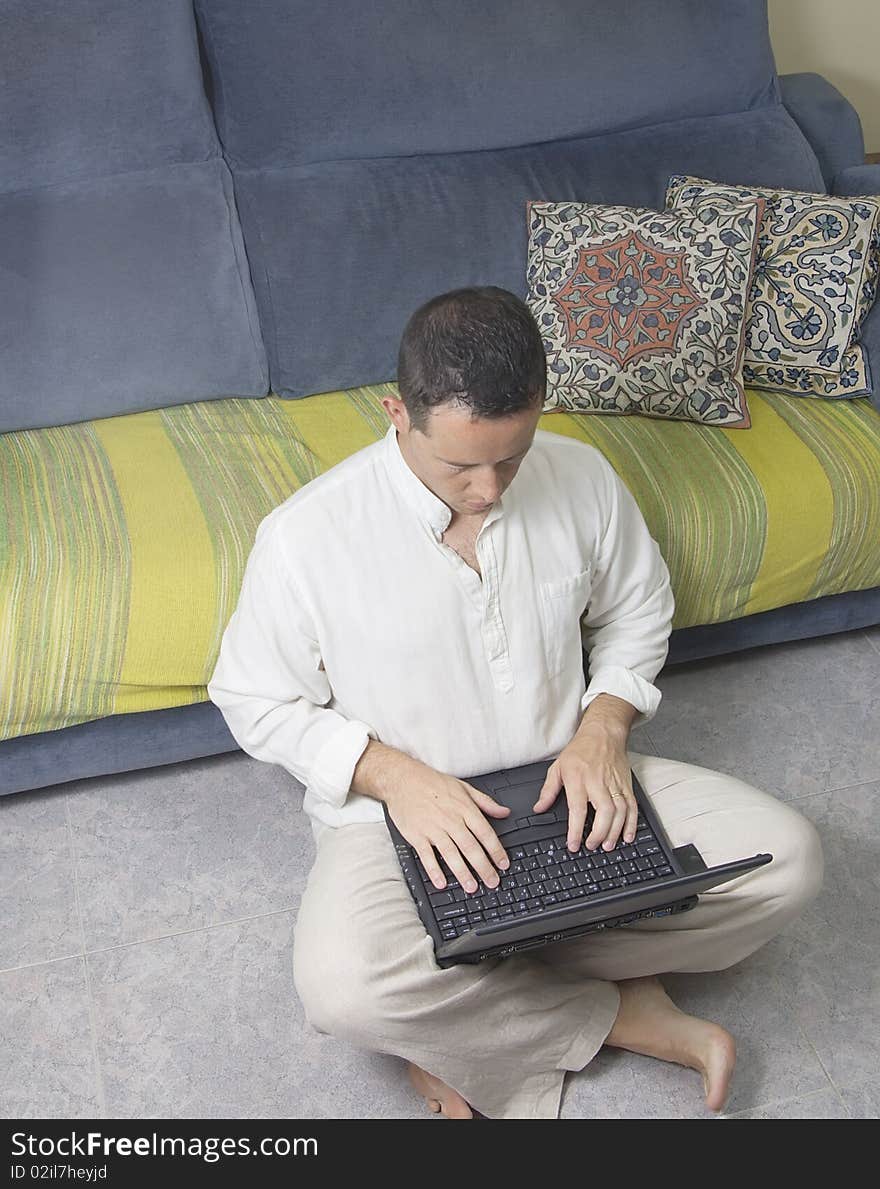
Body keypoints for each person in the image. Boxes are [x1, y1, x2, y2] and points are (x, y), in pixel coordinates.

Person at [208, 286, 823, 1120]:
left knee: (787, 862)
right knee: (343, 990)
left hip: (569, 786)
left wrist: (605, 725)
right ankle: (618, 1008)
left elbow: (637, 612)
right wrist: (391, 775)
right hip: (399, 819)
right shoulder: (306, 536)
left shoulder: (582, 476)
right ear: (397, 412)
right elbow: (253, 696)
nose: (491, 488)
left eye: (513, 456)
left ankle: (469, 1008)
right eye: (460, 465)